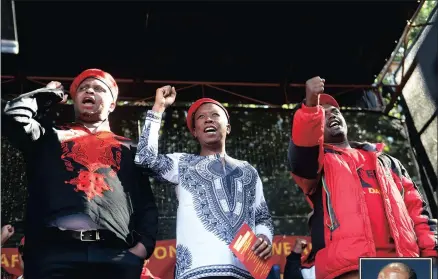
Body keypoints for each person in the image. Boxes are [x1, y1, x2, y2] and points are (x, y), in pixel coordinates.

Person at [2, 69, 159, 279]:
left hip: (115, 256)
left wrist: (142, 248)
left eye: (99, 88)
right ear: (73, 100)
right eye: (83, 88)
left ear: (112, 104)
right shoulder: (48, 136)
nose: (90, 91)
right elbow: (11, 117)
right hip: (53, 255)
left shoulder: (129, 148)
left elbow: (146, 204)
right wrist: (46, 93)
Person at [287, 76, 438, 279]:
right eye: (322, 113)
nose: (332, 114)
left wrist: (431, 255)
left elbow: (419, 212)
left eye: (335, 111)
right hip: (349, 270)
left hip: (404, 268)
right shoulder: (318, 163)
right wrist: (310, 107)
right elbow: (302, 150)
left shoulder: (388, 163)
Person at [135, 86, 274, 279]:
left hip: (245, 271)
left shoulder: (248, 170)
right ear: (195, 132)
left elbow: (262, 217)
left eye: (215, 115)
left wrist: (265, 237)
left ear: (228, 127)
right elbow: (144, 160)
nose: (208, 119)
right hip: (196, 272)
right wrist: (158, 108)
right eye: (201, 117)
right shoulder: (182, 164)